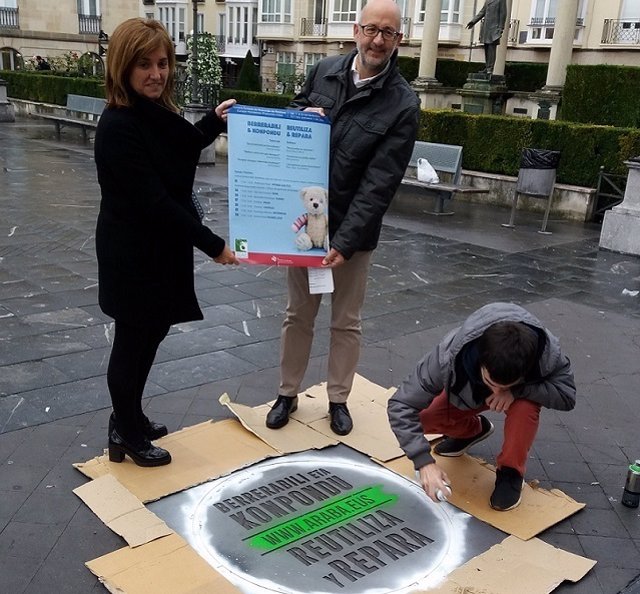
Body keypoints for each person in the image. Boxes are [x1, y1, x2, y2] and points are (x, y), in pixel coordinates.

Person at [265, 0, 420, 436]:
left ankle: (337, 399)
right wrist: (301, 117)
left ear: (398, 40)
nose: (377, 40)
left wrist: (344, 241)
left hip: (354, 234)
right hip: (306, 220)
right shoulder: (324, 71)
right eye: (371, 29)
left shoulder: (402, 103)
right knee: (297, 315)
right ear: (356, 30)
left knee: (345, 321)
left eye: (388, 33)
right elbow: (292, 116)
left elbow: (379, 184)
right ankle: (287, 392)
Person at [94, 17, 238, 467]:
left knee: (150, 334)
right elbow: (157, 202)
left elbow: (180, 146)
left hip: (158, 251)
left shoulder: (151, 113)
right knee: (133, 340)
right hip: (133, 253)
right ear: (123, 66)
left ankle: (131, 415)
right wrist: (213, 244)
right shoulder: (120, 125)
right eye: (144, 65)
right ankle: (125, 431)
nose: (156, 74)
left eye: (163, 63)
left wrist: (212, 123)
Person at [387, 302, 576, 511]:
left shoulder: (547, 354)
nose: (496, 391)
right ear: (480, 362)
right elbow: (401, 404)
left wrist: (516, 392)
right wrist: (423, 463)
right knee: (423, 418)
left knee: (525, 408)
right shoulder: (449, 356)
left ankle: (511, 473)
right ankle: (471, 431)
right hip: (468, 393)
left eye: (505, 385)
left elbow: (567, 396)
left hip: (518, 398)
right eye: (491, 383)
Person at [466, 0, 507, 76]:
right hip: (486, 28)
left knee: (491, 48)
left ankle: (490, 69)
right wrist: (473, 21)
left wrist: (501, 28)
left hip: (494, 28)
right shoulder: (487, 0)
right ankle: (487, 67)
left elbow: (503, 13)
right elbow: (482, 12)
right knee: (487, 47)